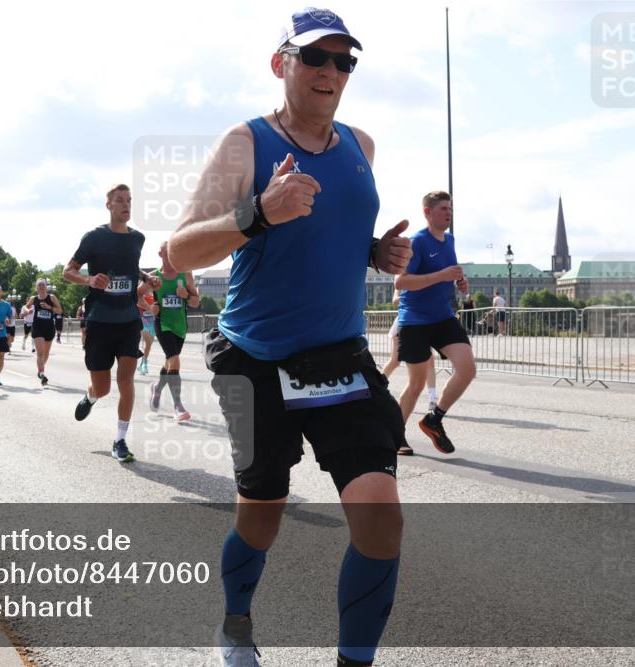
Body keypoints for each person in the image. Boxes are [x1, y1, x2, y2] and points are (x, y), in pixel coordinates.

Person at [165, 9, 413, 665]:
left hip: (338, 356)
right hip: (255, 357)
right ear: (282, 63)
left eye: (344, 60)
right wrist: (257, 213)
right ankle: (235, 623)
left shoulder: (361, 145)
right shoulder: (245, 142)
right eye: (316, 57)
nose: (331, 71)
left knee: (381, 516)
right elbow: (178, 251)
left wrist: (373, 252)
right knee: (263, 509)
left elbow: (326, 232)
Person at [64, 183, 151, 463]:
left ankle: (120, 440)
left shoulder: (137, 238)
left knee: (126, 380)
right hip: (100, 320)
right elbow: (68, 271)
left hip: (128, 319)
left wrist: (145, 278)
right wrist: (89, 280)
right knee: (103, 388)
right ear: (109, 205)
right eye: (120, 200)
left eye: (129, 200)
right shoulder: (94, 238)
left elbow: (130, 266)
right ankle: (91, 397)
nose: (126, 205)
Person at [395, 190, 477, 456]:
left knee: (467, 369)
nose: (449, 213)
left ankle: (434, 419)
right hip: (415, 320)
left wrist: (460, 282)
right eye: (443, 208)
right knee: (416, 384)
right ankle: (395, 435)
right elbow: (400, 282)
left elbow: (448, 275)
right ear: (427, 212)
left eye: (450, 208)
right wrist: (441, 275)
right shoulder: (417, 242)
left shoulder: (449, 240)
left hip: (443, 317)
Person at [148, 242, 200, 421]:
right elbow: (135, 295)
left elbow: (196, 302)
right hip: (163, 324)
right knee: (175, 360)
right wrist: (150, 307)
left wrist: (186, 295)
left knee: (170, 362)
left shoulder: (186, 274)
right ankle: (178, 407)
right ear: (160, 254)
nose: (171, 255)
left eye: (173, 251)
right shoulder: (154, 277)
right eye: (167, 252)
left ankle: (157, 389)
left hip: (180, 326)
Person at [381, 291, 439, 431]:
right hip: (406, 322)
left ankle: (433, 398)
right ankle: (377, 386)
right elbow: (395, 299)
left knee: (430, 361)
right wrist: (416, 296)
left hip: (425, 322)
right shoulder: (404, 280)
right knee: (395, 361)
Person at [24, 279, 62, 386]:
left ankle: (40, 369)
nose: (41, 287)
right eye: (39, 285)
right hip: (37, 328)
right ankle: (42, 374)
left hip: (49, 328)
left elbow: (60, 310)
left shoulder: (52, 297)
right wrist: (28, 311)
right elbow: (25, 307)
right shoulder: (34, 298)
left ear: (46, 287)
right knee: (40, 353)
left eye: (43, 285)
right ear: (36, 288)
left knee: (46, 354)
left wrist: (49, 307)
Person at [137, 276, 156, 375]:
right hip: (143, 322)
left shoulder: (154, 296)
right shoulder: (140, 295)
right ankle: (144, 364)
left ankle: (143, 363)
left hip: (152, 323)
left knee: (148, 346)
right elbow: (136, 304)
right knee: (147, 342)